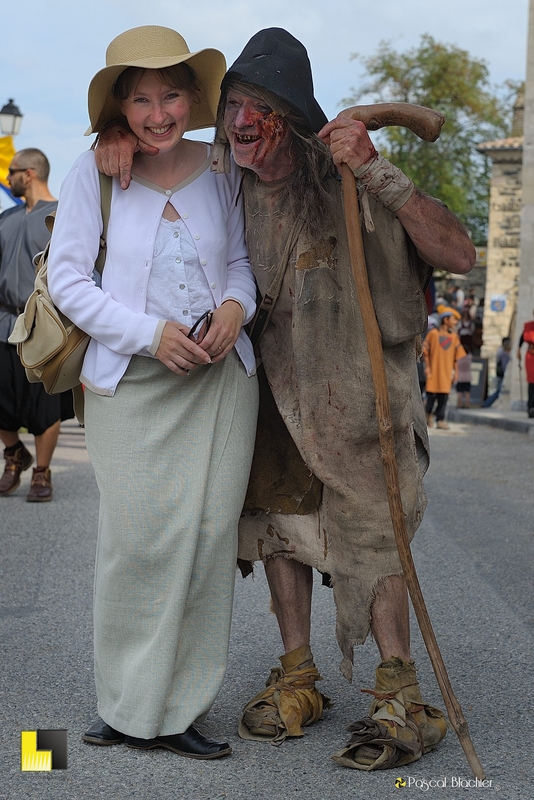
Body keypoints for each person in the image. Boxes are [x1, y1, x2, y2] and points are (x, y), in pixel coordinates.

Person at [95, 27, 475, 771]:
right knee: (275, 525)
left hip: (357, 401)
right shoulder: (215, 173)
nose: (243, 121)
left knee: (372, 534)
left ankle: (396, 686)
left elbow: (458, 254)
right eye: (234, 103)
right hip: (263, 394)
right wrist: (115, 135)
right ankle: (297, 672)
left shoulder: (344, 173)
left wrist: (378, 173)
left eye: (261, 107)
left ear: (293, 118)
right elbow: (151, 148)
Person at [48, 26, 259, 759]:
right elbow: (68, 281)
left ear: (193, 99)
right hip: (130, 384)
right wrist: (148, 334)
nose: (158, 112)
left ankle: (179, 709)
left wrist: (237, 307)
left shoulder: (226, 167)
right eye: (140, 98)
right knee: (136, 544)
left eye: (171, 95)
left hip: (219, 386)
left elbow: (240, 264)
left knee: (204, 544)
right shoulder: (94, 171)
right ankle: (127, 705)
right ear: (120, 106)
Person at [0, 148, 73, 502]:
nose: (7, 177)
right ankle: (15, 455)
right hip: (1, 323)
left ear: (29, 174)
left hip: (41, 325)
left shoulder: (61, 217)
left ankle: (41, 473)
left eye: (12, 172)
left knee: (43, 407)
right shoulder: (5, 218)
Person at [423, 307, 466, 429]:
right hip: (434, 371)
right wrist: (427, 367)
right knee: (431, 396)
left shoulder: (454, 337)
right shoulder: (433, 334)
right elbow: (425, 351)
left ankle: (440, 420)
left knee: (443, 398)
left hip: (446, 372)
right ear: (445, 320)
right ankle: (428, 415)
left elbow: (456, 357)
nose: (456, 322)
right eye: (454, 319)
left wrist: (456, 372)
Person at [482, 336, 511, 408]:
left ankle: (486, 403)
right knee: (499, 391)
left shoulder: (500, 351)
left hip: (499, 374)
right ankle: (486, 403)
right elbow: (504, 366)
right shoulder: (504, 353)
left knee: (498, 390)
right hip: (502, 375)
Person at [517, 316, 534, 417]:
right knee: (531, 382)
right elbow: (522, 338)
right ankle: (531, 407)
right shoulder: (529, 326)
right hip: (531, 357)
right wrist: (518, 350)